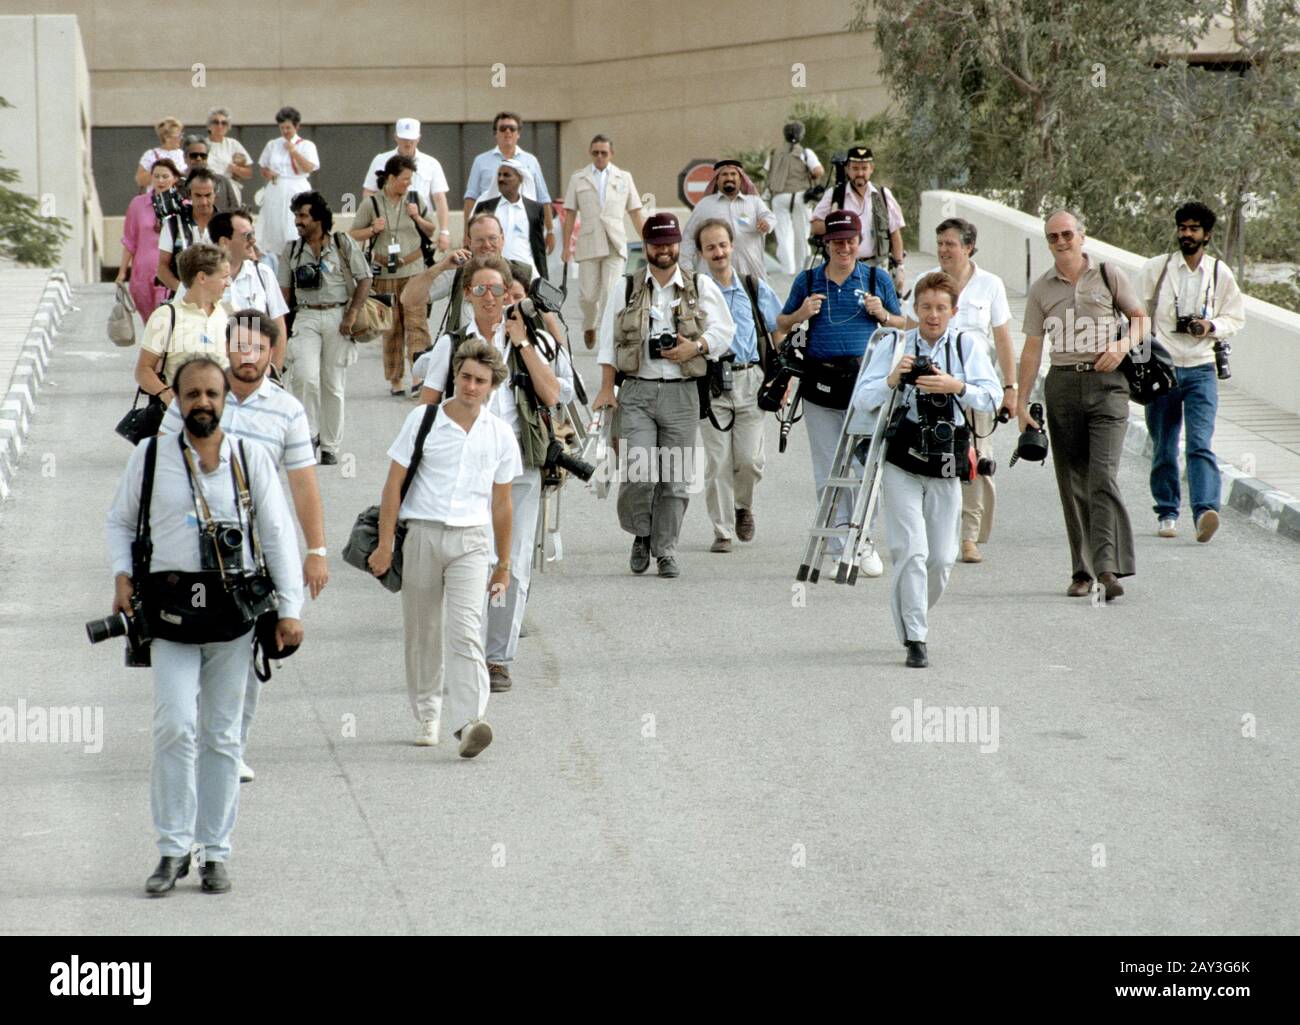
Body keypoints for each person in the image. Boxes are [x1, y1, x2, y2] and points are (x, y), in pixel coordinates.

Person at [106, 354, 303, 895]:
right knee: (174, 725)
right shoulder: (149, 457)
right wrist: (123, 575)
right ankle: (172, 849)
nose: (203, 404)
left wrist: (291, 609)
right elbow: (120, 521)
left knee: (221, 735)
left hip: (231, 617)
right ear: (176, 398)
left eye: (212, 395)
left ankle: (215, 851)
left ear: (224, 400)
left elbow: (280, 532)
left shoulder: (251, 458)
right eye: (192, 395)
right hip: (169, 614)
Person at [160, 315, 327, 783]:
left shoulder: (288, 410)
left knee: (250, 645)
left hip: (254, 555)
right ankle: (193, 740)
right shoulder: (197, 400)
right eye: (239, 347)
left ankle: (229, 746)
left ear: (272, 353)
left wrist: (316, 549)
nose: (248, 356)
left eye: (257, 347)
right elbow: (159, 472)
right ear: (226, 350)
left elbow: (303, 484)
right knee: (191, 639)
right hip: (190, 554)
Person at [417, 255, 570, 694]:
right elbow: (427, 405)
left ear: (508, 294)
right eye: (479, 290)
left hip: (519, 465)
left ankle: (497, 657)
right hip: (462, 469)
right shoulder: (450, 344)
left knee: (513, 561)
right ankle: (464, 651)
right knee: (468, 560)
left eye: (496, 291)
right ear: (467, 294)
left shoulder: (530, 338)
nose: (489, 299)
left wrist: (521, 342)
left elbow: (552, 393)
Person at [369, 338, 520, 757]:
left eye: (480, 381)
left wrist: (503, 563)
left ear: (492, 387)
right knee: (423, 631)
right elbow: (394, 484)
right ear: (455, 375)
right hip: (422, 533)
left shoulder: (501, 435)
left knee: (467, 632)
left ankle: (471, 721)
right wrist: (385, 545)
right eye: (465, 377)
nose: (470, 387)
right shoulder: (424, 419)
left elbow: (502, 503)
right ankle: (427, 714)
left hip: (472, 542)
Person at [852, 272, 1002, 668]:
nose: (933, 316)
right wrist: (892, 379)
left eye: (940, 308)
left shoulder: (966, 345)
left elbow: (992, 397)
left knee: (941, 558)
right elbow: (864, 398)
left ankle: (910, 611)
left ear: (954, 311)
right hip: (902, 456)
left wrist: (956, 387)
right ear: (913, 310)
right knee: (911, 552)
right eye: (925, 308)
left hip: (946, 458)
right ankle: (916, 637)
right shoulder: (896, 344)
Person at [592, 213, 735, 578]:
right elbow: (608, 342)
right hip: (637, 390)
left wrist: (697, 346)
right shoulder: (626, 288)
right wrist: (607, 388)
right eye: (656, 244)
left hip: (682, 393)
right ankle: (642, 532)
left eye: (670, 243)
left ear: (678, 246)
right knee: (639, 471)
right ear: (646, 247)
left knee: (675, 478)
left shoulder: (699, 285)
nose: (664, 250)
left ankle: (666, 548)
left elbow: (725, 331)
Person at [1018, 210, 1147, 601]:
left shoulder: (1108, 275)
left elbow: (1141, 318)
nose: (1061, 242)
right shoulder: (1042, 288)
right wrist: (1021, 401)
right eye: (1054, 237)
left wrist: (1122, 346)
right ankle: (1082, 570)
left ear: (1082, 236)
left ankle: (1107, 567)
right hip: (1062, 384)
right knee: (1072, 480)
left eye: (1067, 234)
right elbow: (1032, 347)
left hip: (1108, 384)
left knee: (1102, 476)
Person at [777, 210, 900, 574]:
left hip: (867, 385)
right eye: (837, 241)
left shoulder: (878, 279)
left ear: (859, 242)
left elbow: (905, 324)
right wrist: (801, 313)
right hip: (820, 385)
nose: (844, 247)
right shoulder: (809, 279)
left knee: (865, 467)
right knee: (829, 467)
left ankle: (863, 543)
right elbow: (781, 326)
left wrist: (883, 315)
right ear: (826, 244)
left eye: (850, 240)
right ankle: (835, 547)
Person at [904, 218, 1017, 563]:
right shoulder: (922, 284)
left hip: (973, 388)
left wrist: (1010, 389)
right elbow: (908, 336)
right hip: (929, 387)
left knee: (975, 461)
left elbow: (1002, 340)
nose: (942, 250)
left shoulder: (990, 285)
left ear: (968, 247)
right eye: (939, 243)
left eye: (950, 244)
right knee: (926, 455)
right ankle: (933, 533)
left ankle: (969, 536)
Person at [1138, 201, 1246, 544]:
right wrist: (1139, 362)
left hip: (1201, 369)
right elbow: (1137, 315)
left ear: (1207, 235)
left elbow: (1236, 317)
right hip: (1163, 369)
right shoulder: (1157, 269)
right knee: (1164, 445)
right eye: (1182, 228)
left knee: (1200, 443)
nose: (1186, 234)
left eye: (1193, 229)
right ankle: (1167, 511)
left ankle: (1204, 512)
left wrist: (1209, 325)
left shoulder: (1218, 273)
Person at [695, 218, 783, 552]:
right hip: (711, 382)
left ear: (732, 246)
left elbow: (777, 327)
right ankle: (723, 530)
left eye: (722, 244)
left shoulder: (753, 287)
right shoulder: (696, 292)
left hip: (750, 379)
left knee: (749, 460)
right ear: (702, 253)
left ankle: (742, 505)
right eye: (710, 247)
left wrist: (780, 374)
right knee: (718, 461)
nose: (718, 252)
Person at [276, 191, 372, 466]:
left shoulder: (342, 243)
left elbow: (364, 278)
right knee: (304, 377)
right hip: (305, 316)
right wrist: (279, 329)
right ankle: (308, 435)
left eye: (303, 215)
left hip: (338, 316)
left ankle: (330, 445)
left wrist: (352, 314)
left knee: (333, 384)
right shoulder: (291, 249)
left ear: (318, 218)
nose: (298, 221)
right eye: (296, 216)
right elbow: (283, 294)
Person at [349, 155, 438, 396]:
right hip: (385, 273)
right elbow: (353, 234)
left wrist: (417, 217)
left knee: (417, 324)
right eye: (404, 179)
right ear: (390, 178)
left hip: (414, 270)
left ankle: (419, 376)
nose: (408, 184)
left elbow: (432, 230)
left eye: (410, 179)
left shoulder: (415, 199)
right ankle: (395, 378)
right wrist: (372, 230)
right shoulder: (372, 204)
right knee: (391, 327)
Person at [562, 134, 646, 349]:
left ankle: (609, 336)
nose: (600, 156)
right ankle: (589, 324)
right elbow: (570, 213)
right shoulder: (578, 178)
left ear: (611, 154)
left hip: (615, 241)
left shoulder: (623, 177)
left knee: (611, 293)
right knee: (588, 296)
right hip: (589, 241)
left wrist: (647, 240)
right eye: (596, 152)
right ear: (591, 153)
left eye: (604, 153)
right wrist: (565, 247)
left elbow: (636, 211)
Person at [134, 243, 231, 405]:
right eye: (223, 277)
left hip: (225, 413)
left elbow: (246, 362)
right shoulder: (164, 317)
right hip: (181, 415)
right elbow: (143, 370)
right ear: (202, 278)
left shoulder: (231, 314)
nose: (228, 283)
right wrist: (164, 392)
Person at [811, 146, 905, 290]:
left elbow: (894, 232)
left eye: (864, 168)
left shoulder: (883, 195)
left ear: (871, 169)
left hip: (876, 268)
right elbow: (815, 226)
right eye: (855, 168)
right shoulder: (835, 195)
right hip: (843, 268)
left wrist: (900, 267)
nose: (860, 173)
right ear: (848, 169)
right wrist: (836, 223)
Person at [210, 210, 289, 372]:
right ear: (224, 241)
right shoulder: (202, 277)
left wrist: (275, 371)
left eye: (252, 234)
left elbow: (279, 326)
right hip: (214, 372)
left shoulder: (263, 274)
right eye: (246, 236)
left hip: (255, 371)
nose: (253, 241)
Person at [462, 112, 554, 250]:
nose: (508, 132)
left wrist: (550, 231)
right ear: (496, 133)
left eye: (512, 128)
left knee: (526, 268)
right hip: (490, 228)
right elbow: (471, 198)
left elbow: (543, 198)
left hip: (524, 228)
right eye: (503, 128)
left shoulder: (531, 161)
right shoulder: (481, 161)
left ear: (518, 133)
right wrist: (466, 232)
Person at [361, 118, 451, 251]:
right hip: (387, 226)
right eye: (404, 138)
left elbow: (439, 198)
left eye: (412, 139)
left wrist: (444, 231)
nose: (408, 143)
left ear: (419, 138)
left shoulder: (431, 163)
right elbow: (369, 192)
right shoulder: (380, 160)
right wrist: (372, 220)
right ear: (396, 137)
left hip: (420, 226)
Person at [679, 160, 774, 280]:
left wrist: (766, 223)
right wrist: (686, 269)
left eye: (733, 174)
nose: (729, 177)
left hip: (751, 274)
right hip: (713, 277)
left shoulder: (754, 202)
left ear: (741, 179)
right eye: (724, 174)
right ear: (717, 180)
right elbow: (689, 237)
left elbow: (770, 217)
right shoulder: (704, 205)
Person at [442, 213, 534, 336]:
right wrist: (441, 266)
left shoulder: (523, 272)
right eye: (480, 240)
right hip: (464, 350)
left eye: (492, 238)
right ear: (469, 242)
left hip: (510, 349)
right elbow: (412, 297)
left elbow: (545, 316)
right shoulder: (456, 271)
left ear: (502, 239)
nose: (487, 245)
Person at [117, 158, 182, 323]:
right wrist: (122, 272)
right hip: (142, 274)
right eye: (156, 176)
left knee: (164, 321)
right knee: (150, 324)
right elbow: (130, 240)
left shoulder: (183, 206)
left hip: (168, 273)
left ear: (175, 178)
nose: (160, 181)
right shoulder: (138, 204)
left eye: (165, 176)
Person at [257, 107, 319, 261]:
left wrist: (294, 152)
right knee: (275, 227)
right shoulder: (273, 144)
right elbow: (263, 167)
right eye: (282, 127)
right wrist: (268, 174)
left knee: (294, 225)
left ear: (297, 126)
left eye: (288, 127)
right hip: (276, 188)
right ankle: (278, 262)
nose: (285, 131)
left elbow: (309, 167)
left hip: (296, 187)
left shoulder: (306, 145)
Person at [470, 161, 549, 277]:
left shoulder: (535, 209)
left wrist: (544, 278)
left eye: (507, 175)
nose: (501, 179)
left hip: (526, 273)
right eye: (499, 175)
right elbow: (475, 241)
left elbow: (539, 248)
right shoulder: (485, 207)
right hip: (493, 272)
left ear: (520, 179)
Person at [764, 121, 823, 275]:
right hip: (800, 196)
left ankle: (787, 269)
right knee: (802, 234)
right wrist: (809, 175)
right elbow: (818, 171)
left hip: (779, 196)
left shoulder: (774, 153)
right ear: (801, 135)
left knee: (783, 234)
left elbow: (767, 173)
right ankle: (803, 270)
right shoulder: (805, 153)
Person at [157, 169, 218, 295]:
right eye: (198, 195)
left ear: (215, 194)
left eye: (208, 195)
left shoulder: (226, 223)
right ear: (189, 194)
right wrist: (182, 290)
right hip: (182, 299)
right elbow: (162, 267)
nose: (203, 202)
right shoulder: (173, 224)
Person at [204, 108, 254, 203]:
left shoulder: (233, 144)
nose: (220, 126)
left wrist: (236, 169)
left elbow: (249, 173)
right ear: (209, 126)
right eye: (216, 122)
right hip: (207, 189)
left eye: (224, 123)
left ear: (228, 127)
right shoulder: (202, 144)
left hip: (228, 189)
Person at [181, 137, 240, 213]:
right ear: (185, 158)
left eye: (203, 156)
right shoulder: (177, 183)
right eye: (194, 155)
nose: (199, 158)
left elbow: (235, 210)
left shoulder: (222, 182)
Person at [135, 117, 186, 189]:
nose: (181, 138)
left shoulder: (184, 154)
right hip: (156, 197)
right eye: (178, 136)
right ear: (166, 137)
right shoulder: (151, 155)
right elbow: (140, 180)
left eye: (181, 135)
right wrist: (160, 172)